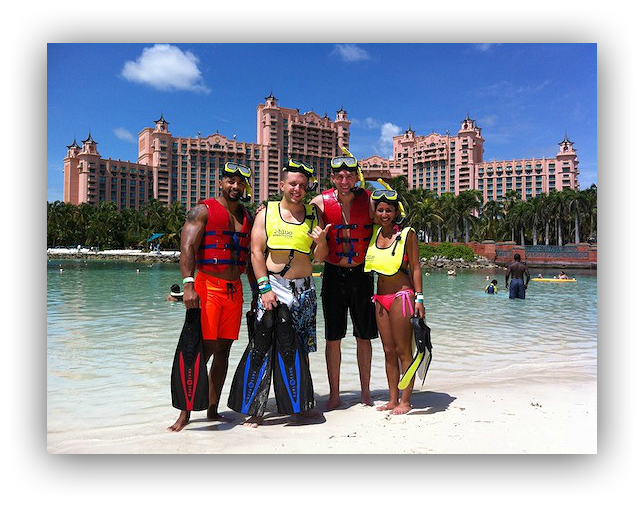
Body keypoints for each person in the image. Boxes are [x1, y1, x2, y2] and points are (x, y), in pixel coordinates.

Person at [167, 162, 257, 432]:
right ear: (220, 183)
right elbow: (187, 248)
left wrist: (255, 292)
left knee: (224, 350)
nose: (235, 187)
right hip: (207, 286)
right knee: (202, 350)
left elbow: (251, 260)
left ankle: (213, 409)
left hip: (235, 290)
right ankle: (185, 413)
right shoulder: (203, 210)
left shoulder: (247, 217)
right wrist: (188, 284)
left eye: (240, 183)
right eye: (230, 181)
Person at [247, 159, 331, 427]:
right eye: (293, 184)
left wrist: (321, 242)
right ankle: (256, 409)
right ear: (282, 185)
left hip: (304, 290)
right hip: (274, 289)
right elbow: (256, 253)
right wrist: (264, 289)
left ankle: (301, 405)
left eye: (303, 185)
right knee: (264, 347)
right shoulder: (266, 213)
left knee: (301, 348)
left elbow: (320, 257)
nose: (297, 189)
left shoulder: (313, 214)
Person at [310, 151, 377, 410]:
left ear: (356, 177)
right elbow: (292, 210)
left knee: (364, 336)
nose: (345, 180)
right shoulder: (320, 202)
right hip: (333, 274)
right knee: (333, 338)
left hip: (361, 274)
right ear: (332, 178)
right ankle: (335, 394)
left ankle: (366, 392)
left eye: (349, 175)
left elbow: (387, 220)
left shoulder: (369, 201)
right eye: (339, 176)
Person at [364, 188, 425, 415]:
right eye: (380, 210)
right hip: (380, 299)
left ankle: (406, 401)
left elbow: (416, 267)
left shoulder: (407, 234)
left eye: (388, 210)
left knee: (403, 351)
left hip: (402, 296)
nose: (384, 214)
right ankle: (392, 398)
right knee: (388, 351)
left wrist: (419, 298)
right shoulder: (374, 233)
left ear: (396, 211)